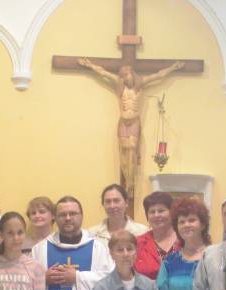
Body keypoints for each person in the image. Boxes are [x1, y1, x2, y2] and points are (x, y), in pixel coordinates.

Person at [76, 59, 185, 197]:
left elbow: (158, 75)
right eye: (124, 77)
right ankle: (127, 178)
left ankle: (130, 182)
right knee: (124, 151)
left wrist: (173, 67)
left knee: (132, 149)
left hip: (134, 121)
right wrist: (90, 65)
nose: (127, 79)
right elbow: (103, 73)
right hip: (123, 121)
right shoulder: (119, 84)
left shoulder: (140, 85)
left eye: (128, 76)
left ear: (133, 75)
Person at [32, 196, 113, 290]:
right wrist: (43, 279)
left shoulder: (98, 247)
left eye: (73, 214)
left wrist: (77, 277)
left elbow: (109, 281)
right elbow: (26, 282)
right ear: (55, 218)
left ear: (81, 216)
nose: (68, 218)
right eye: (62, 215)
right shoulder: (40, 249)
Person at [84, 230, 165, 290]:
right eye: (120, 250)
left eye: (130, 249)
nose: (125, 254)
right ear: (111, 254)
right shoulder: (101, 289)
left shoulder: (150, 286)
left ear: (136, 252)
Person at [158, 197, 208, 290]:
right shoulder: (169, 262)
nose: (186, 225)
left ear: (202, 224)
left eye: (192, 220)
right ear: (176, 227)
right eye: (182, 222)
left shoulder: (212, 257)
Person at [134, 191, 181, 280]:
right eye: (152, 212)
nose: (156, 215)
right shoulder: (138, 243)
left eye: (161, 211)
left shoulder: (185, 240)